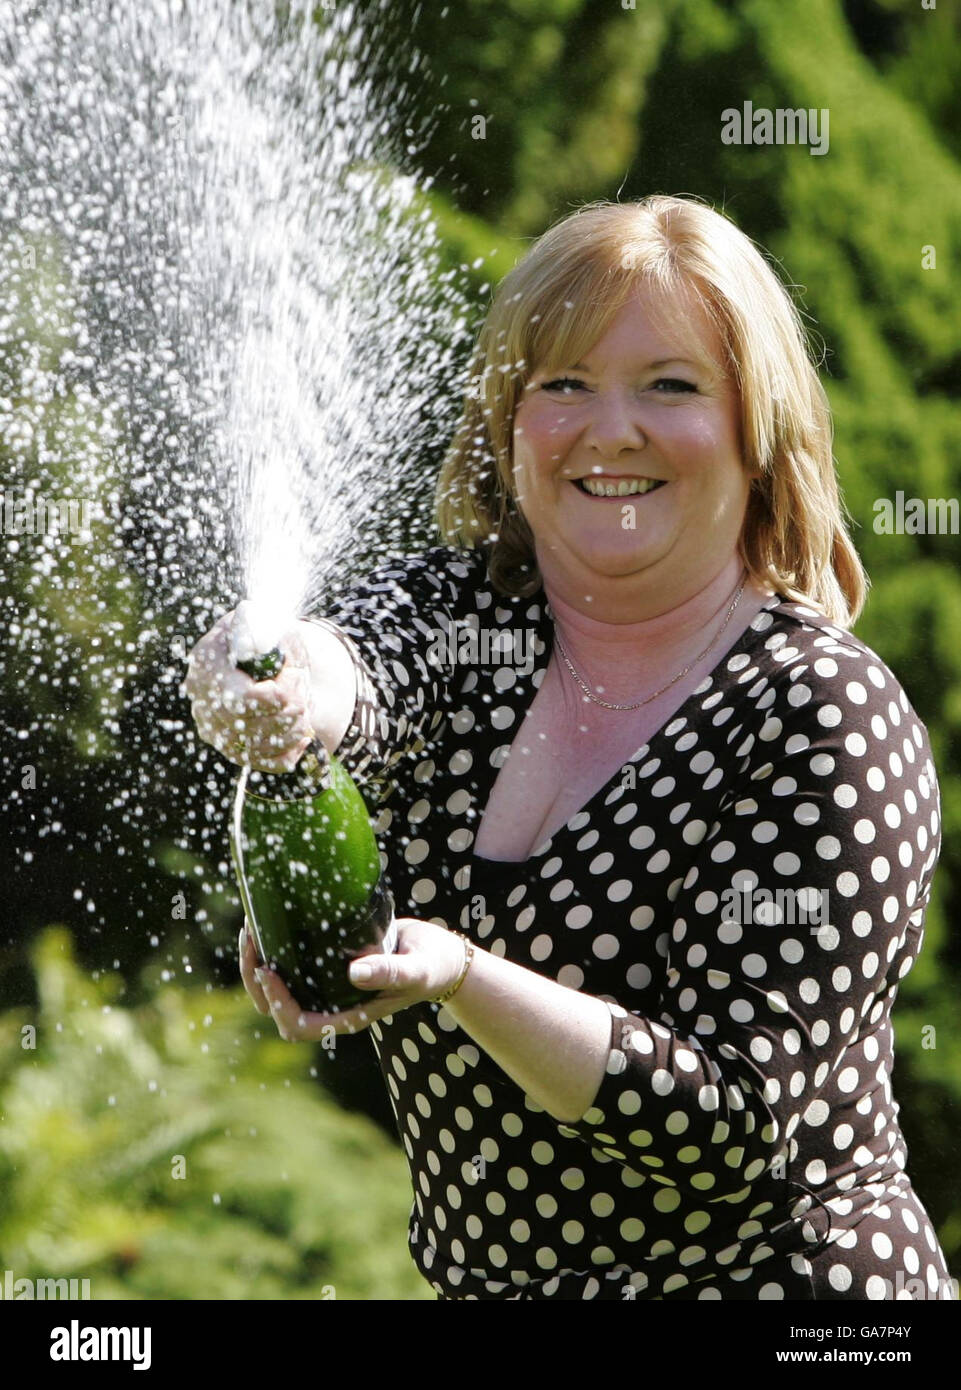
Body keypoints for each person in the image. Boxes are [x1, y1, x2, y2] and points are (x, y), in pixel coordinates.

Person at [186, 195, 954, 1301]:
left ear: (757, 427)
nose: (610, 429)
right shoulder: (470, 617)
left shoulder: (820, 714)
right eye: (563, 385)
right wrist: (276, 686)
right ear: (508, 422)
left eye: (670, 385)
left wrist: (461, 976)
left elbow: (732, 1128)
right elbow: (354, 670)